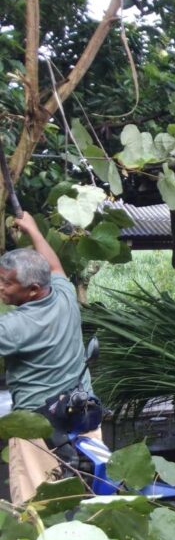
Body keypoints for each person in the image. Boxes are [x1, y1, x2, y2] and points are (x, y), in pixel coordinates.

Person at [1, 212, 96, 504]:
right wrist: (33, 230)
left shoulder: (15, 327)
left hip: (38, 434)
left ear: (32, 290)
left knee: (37, 514)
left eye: (6, 283)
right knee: (85, 506)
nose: (0, 288)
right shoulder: (65, 295)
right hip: (84, 419)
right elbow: (53, 265)